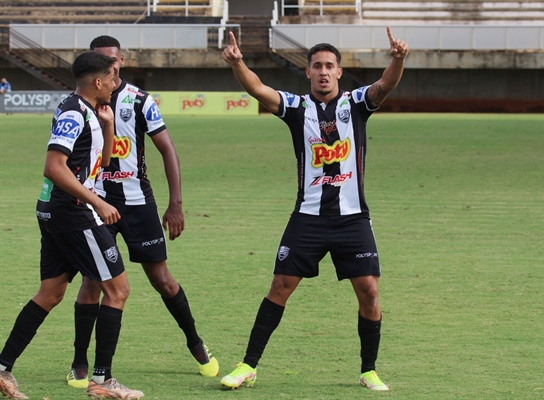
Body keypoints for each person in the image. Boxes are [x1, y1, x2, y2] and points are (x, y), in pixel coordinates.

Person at [219, 27, 408, 391]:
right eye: (317, 65)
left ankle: (368, 369)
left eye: (330, 66)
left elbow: (385, 85)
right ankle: (248, 365)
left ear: (339, 71)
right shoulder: (296, 108)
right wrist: (239, 64)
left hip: (352, 218)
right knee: (280, 286)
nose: (323, 71)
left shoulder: (355, 104)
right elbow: (258, 89)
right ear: (307, 72)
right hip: (307, 217)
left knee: (369, 290)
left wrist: (398, 59)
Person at [64, 35, 219, 390]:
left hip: (137, 203)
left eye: (114, 60)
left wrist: (175, 202)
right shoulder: (81, 103)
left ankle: (195, 344)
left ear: (122, 60)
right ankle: (79, 361)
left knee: (162, 279)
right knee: (93, 282)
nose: (110, 66)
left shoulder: (139, 101)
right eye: (102, 61)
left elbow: (167, 149)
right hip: (96, 203)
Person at [0, 51, 144, 400]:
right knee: (118, 290)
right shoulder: (73, 113)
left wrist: (109, 125)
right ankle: (102, 381)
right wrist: (97, 200)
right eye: (111, 78)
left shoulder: (91, 112)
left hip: (57, 212)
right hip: (72, 213)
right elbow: (53, 166)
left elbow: (104, 161)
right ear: (98, 82)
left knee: (50, 294)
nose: (115, 83)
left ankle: (2, 369)